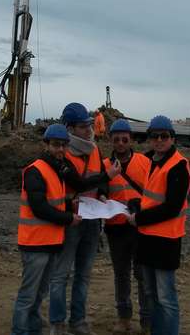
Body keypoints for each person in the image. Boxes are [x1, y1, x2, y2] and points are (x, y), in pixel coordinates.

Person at [49, 102, 119, 335]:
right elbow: (78, 183)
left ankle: (77, 322)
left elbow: (99, 178)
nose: (89, 129)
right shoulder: (63, 153)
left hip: (92, 220)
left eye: (89, 125)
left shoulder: (94, 149)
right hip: (71, 221)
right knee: (61, 274)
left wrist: (102, 193)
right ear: (69, 128)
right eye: (82, 126)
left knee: (84, 274)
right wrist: (106, 177)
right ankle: (57, 323)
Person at [11, 124, 82, 335]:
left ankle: (33, 330)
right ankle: (19, 331)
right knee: (28, 295)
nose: (60, 149)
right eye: (56, 145)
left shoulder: (56, 169)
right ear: (46, 145)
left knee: (39, 293)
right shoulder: (36, 170)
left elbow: (52, 202)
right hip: (35, 244)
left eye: (63, 145)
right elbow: (39, 207)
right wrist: (69, 218)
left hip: (50, 242)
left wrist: (68, 205)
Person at [126, 115, 190, 335]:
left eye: (164, 136)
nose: (159, 140)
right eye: (155, 136)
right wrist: (137, 205)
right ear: (149, 138)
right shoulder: (152, 162)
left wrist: (139, 219)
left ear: (172, 138)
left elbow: (172, 207)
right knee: (151, 294)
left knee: (165, 298)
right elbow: (153, 198)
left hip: (166, 241)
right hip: (147, 238)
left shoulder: (178, 166)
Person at [103, 119, 152, 334]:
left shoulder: (144, 162)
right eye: (117, 140)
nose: (121, 143)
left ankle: (147, 321)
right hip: (116, 228)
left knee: (142, 275)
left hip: (140, 227)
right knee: (121, 274)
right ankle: (123, 317)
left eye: (124, 139)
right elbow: (99, 190)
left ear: (131, 140)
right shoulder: (104, 165)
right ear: (111, 141)